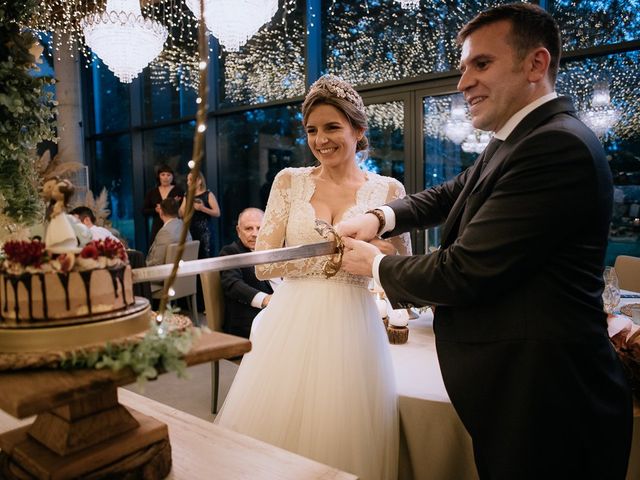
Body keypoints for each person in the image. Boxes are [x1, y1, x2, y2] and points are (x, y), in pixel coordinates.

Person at [338, 4, 632, 479]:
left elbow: (463, 271)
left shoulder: (556, 146)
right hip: (523, 392)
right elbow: (451, 193)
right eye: (462, 68)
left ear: (536, 64)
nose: (462, 83)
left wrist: (375, 265)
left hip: (548, 402)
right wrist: (381, 217)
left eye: (481, 64)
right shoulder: (517, 139)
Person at [215, 74, 411, 480]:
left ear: (358, 130)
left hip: (354, 323)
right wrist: (331, 259)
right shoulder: (289, 181)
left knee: (343, 427)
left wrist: (373, 254)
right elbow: (264, 264)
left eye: (332, 127)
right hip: (293, 319)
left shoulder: (389, 189)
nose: (321, 139)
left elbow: (401, 264)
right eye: (312, 130)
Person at [218, 208, 274, 338]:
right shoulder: (231, 251)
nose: (255, 233)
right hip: (249, 320)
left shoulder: (274, 250)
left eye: (259, 228)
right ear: (238, 231)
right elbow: (232, 284)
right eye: (249, 228)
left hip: (278, 311)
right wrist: (265, 299)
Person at [179, 171, 220, 259]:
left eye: (190, 179)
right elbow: (181, 214)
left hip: (205, 232)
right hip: (190, 231)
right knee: (193, 258)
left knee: (206, 258)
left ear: (199, 181)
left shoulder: (208, 194)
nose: (188, 182)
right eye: (187, 180)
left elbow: (217, 213)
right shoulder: (187, 195)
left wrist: (202, 208)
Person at [142, 164, 184, 247]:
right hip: (157, 226)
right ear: (159, 177)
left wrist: (173, 205)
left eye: (168, 175)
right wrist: (155, 210)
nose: (165, 177)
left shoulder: (179, 191)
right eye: (163, 175)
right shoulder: (152, 192)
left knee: (174, 250)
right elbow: (144, 211)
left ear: (172, 177)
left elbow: (184, 210)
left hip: (174, 227)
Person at [146, 198, 191, 271]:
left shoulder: (164, 232)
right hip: (185, 274)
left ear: (161, 212)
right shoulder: (184, 227)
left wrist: (143, 266)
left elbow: (157, 263)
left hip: (164, 278)